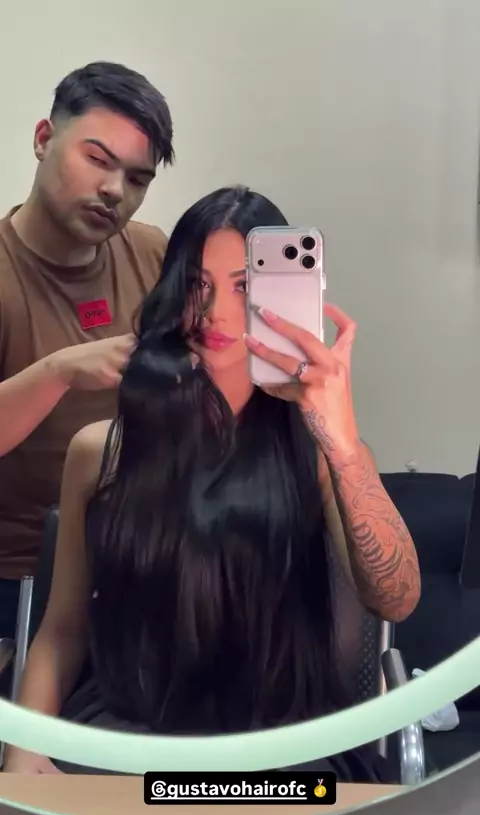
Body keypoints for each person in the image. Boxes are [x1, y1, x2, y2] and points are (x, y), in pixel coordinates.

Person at [3, 186, 421, 778]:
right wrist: (24, 749)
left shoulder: (322, 456)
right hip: (127, 740)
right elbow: (63, 628)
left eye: (245, 286)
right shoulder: (102, 451)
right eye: (198, 285)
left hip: (286, 751)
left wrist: (343, 443)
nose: (215, 311)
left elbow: (396, 599)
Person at [0, 61, 173, 639]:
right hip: (17, 577)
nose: (115, 191)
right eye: (98, 159)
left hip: (134, 558)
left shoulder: (151, 253)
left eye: (138, 179)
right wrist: (59, 371)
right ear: (43, 139)